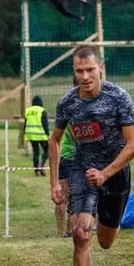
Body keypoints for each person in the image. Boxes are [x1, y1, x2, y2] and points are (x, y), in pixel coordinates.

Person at [48, 45, 134, 266]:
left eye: (90, 70)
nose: (85, 76)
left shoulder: (118, 98)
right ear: (74, 72)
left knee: (105, 241)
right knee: (79, 233)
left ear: (101, 68)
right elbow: (54, 140)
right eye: (79, 71)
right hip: (82, 171)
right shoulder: (67, 103)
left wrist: (106, 173)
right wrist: (53, 181)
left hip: (115, 173)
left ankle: (107, 221)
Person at [54, 77, 79, 238]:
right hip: (72, 157)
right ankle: (63, 231)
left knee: (67, 196)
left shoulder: (67, 103)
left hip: (68, 157)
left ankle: (66, 231)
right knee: (65, 196)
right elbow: (75, 133)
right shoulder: (73, 105)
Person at [24, 95, 49, 176]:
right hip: (41, 135)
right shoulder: (42, 111)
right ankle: (41, 165)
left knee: (36, 152)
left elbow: (25, 123)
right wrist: (48, 134)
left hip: (30, 135)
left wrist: (25, 133)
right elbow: (45, 124)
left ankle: (36, 171)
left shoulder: (28, 110)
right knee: (47, 150)